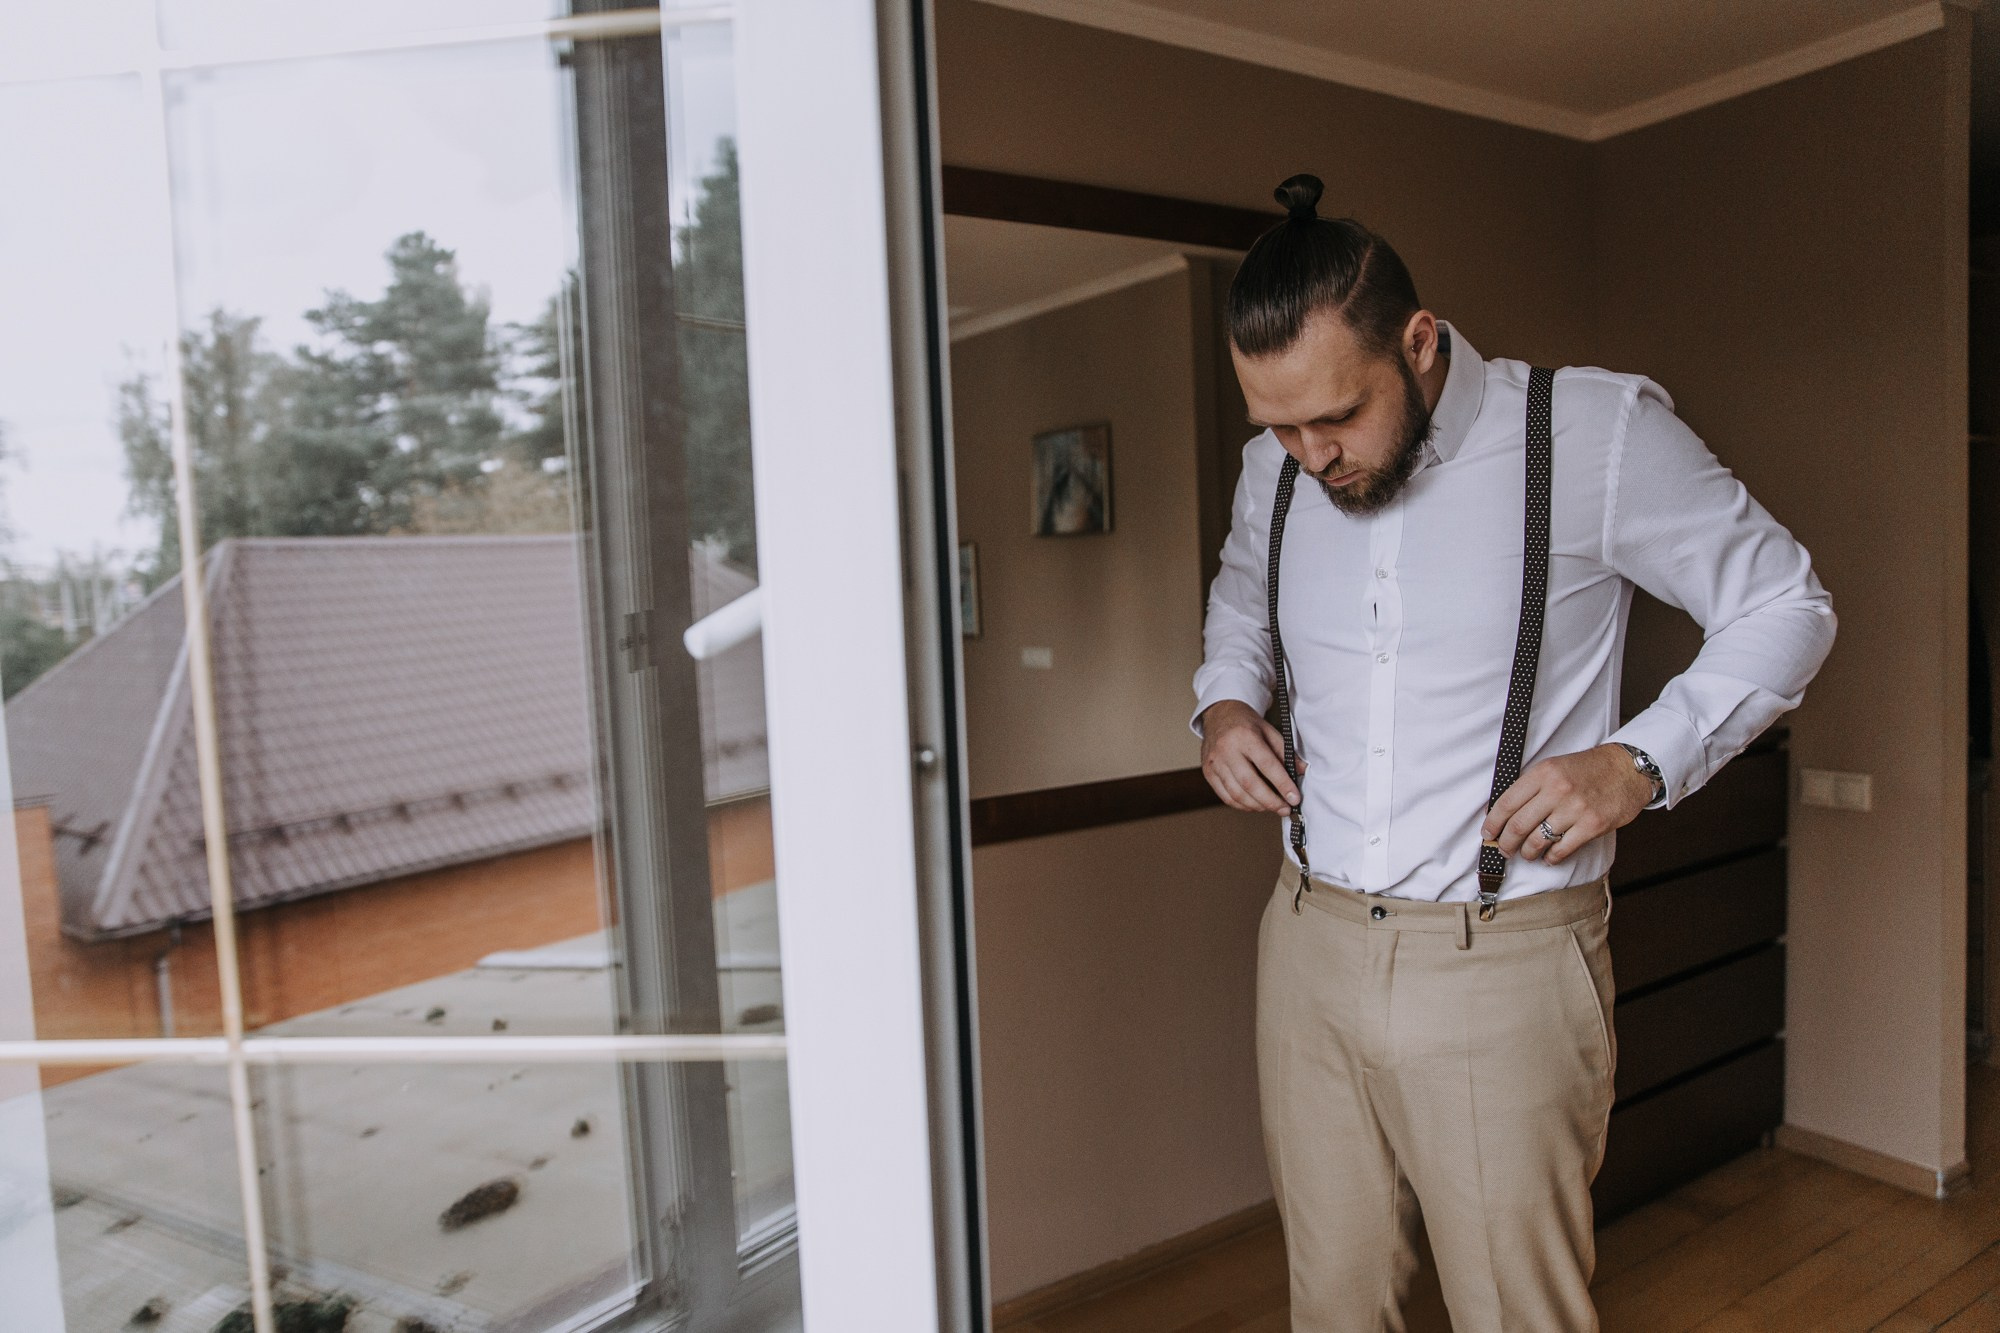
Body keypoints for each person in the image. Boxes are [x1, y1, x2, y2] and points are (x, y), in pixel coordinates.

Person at [1191, 173, 1836, 1331]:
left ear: (1420, 341)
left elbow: (1785, 603)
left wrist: (1638, 762)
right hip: (1306, 943)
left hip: (1503, 959)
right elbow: (1242, 597)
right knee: (1332, 1302)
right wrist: (1224, 705)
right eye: (1278, 426)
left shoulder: (1591, 433)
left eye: (1335, 416)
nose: (1310, 453)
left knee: (1514, 1313)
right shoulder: (1273, 473)